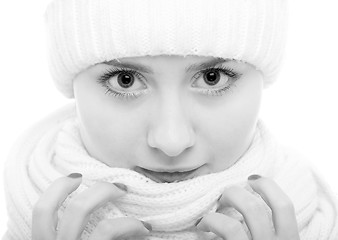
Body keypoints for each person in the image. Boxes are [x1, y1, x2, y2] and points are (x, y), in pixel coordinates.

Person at [2, 0, 338, 239]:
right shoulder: (23, 221)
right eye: (125, 79)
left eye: (212, 77)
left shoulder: (315, 219)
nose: (171, 140)